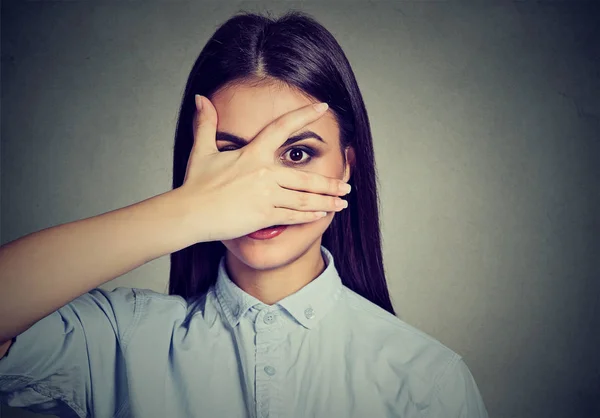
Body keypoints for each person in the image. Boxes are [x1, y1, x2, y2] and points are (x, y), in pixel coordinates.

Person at [0, 9, 489, 418]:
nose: (258, 192)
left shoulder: (427, 379)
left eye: (296, 154)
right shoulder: (118, 340)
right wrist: (188, 213)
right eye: (232, 157)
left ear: (347, 164)